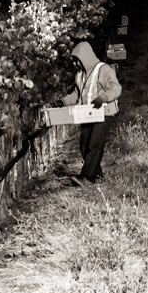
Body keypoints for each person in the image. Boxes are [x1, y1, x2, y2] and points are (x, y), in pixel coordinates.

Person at [61, 42, 122, 187]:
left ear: (84, 57)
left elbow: (116, 87)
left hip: (103, 114)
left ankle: (86, 177)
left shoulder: (103, 70)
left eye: (77, 60)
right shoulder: (80, 75)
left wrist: (103, 98)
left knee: (95, 145)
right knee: (84, 146)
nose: (75, 64)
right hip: (87, 115)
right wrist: (63, 102)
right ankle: (97, 174)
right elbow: (77, 94)